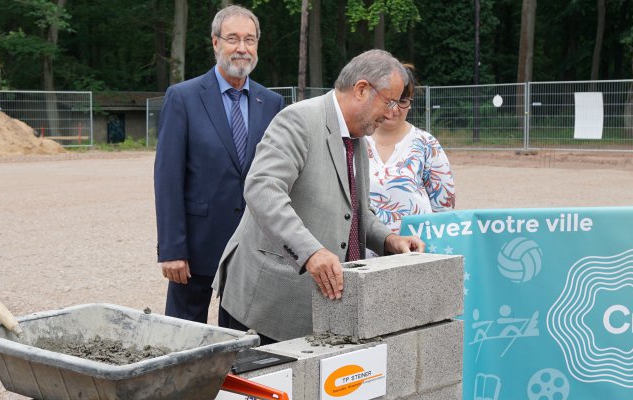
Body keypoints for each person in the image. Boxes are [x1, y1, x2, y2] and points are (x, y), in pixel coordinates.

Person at [214, 49, 425, 343]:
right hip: (265, 305)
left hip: (314, 306)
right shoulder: (299, 120)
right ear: (362, 89)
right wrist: (311, 252)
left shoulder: (358, 137)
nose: (393, 113)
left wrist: (389, 239)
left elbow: (354, 210)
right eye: (389, 102)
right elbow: (263, 189)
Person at [154, 5, 284, 324]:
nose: (242, 47)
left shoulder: (271, 103)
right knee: (184, 345)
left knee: (242, 348)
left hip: (251, 250)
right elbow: (168, 179)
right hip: (195, 249)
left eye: (250, 39)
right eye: (233, 38)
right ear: (215, 43)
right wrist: (172, 249)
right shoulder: (183, 98)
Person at [365, 64, 455, 242]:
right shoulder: (355, 141)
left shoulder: (427, 145)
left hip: (416, 252)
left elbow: (444, 208)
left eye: (403, 101)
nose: (394, 109)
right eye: (389, 100)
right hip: (364, 254)